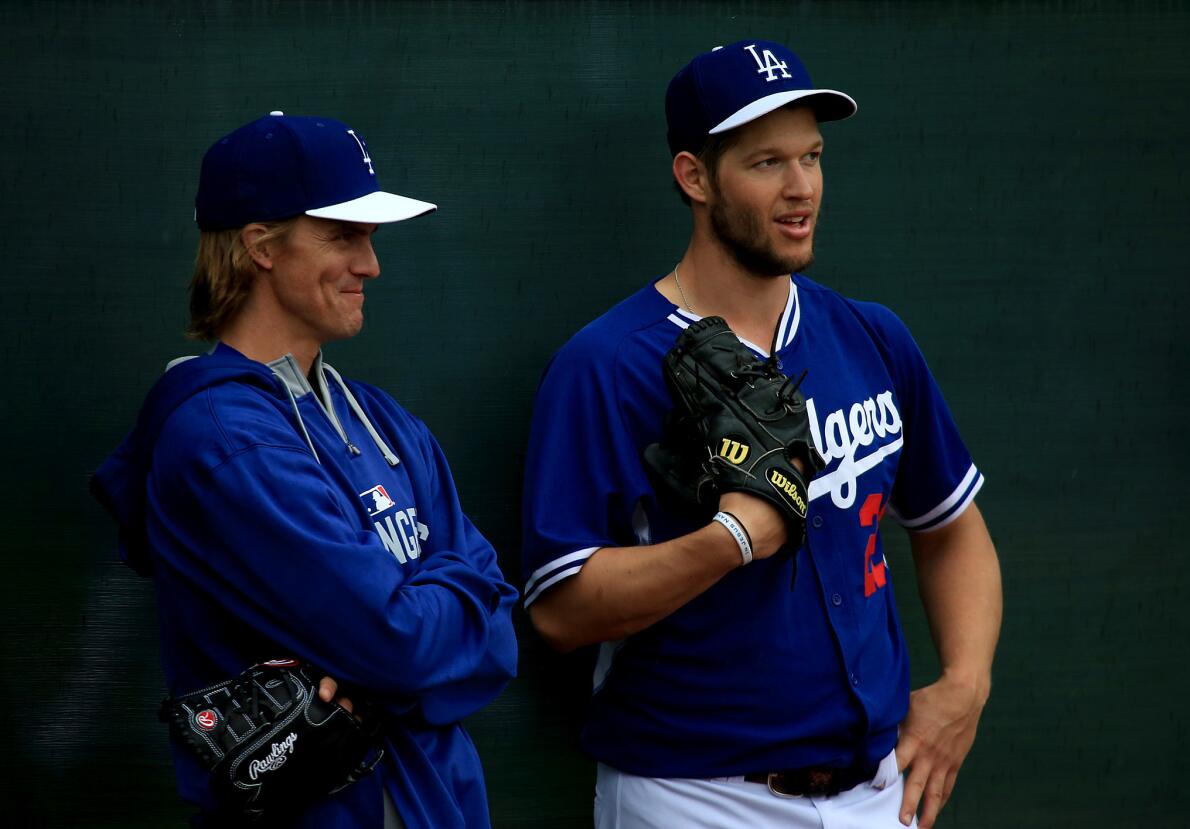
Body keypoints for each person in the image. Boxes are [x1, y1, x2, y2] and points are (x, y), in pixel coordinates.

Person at [521, 40, 1002, 829]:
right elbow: (562, 610)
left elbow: (951, 527)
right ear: (695, 176)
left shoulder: (870, 337)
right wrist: (731, 538)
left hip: (881, 790)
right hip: (695, 794)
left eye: (812, 156)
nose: (801, 187)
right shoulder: (606, 365)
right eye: (767, 162)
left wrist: (965, 685)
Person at [91, 112, 518, 828]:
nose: (371, 265)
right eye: (342, 236)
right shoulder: (222, 435)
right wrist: (427, 627)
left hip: (438, 804)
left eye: (371, 238)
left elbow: (500, 626)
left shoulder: (382, 419)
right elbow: (401, 644)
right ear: (261, 245)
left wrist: (406, 639)